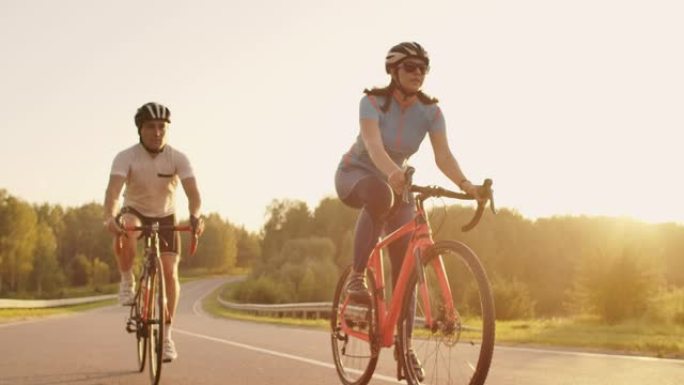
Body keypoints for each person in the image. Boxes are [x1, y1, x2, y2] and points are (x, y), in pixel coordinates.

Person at [334, 42, 485, 372]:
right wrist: (392, 173)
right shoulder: (372, 102)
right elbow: (373, 145)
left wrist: (467, 185)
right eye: (410, 67)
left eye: (423, 68)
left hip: (397, 179)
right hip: (358, 173)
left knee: (409, 271)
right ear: (393, 71)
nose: (418, 73)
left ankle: (405, 347)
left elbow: (443, 156)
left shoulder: (431, 112)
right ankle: (358, 277)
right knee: (379, 195)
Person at [103, 102, 204, 363]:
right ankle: (127, 280)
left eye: (162, 127)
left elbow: (194, 195)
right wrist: (108, 216)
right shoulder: (126, 156)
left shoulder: (177, 157)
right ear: (140, 129)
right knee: (128, 229)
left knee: (170, 273)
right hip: (135, 210)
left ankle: (167, 336)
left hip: (165, 216)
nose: (157, 132)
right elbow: (113, 192)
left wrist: (195, 216)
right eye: (151, 127)